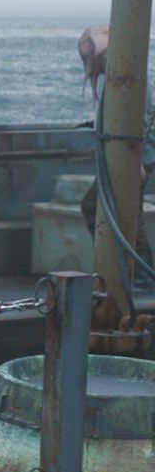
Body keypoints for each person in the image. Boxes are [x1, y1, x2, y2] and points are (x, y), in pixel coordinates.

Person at [76, 24, 155, 294]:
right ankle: (133, 272)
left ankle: (138, 273)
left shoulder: (128, 80)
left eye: (88, 57)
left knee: (105, 208)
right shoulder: (122, 78)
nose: (87, 64)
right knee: (126, 211)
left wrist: (138, 163)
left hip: (136, 158)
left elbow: (139, 124)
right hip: (133, 156)